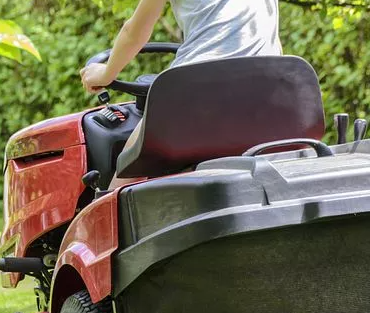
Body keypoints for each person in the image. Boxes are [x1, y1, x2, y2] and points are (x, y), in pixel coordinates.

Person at [80, 0, 282, 189]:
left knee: (128, 165)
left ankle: (107, 216)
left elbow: (134, 32)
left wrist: (106, 74)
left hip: (200, 90)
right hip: (272, 94)